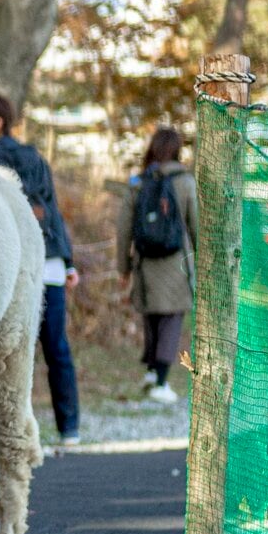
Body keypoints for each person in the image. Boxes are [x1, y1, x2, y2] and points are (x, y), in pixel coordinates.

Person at [0, 92, 81, 445]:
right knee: (56, 347)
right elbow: (52, 210)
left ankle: (15, 426)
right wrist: (69, 261)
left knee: (12, 349)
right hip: (51, 263)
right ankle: (70, 427)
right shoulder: (34, 157)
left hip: (15, 268)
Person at [117, 127, 197, 404]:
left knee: (151, 317)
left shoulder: (138, 182)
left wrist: (123, 267)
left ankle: (151, 373)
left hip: (144, 262)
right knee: (171, 319)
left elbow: (123, 229)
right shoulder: (185, 182)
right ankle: (161, 383)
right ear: (177, 150)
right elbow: (195, 225)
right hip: (176, 264)